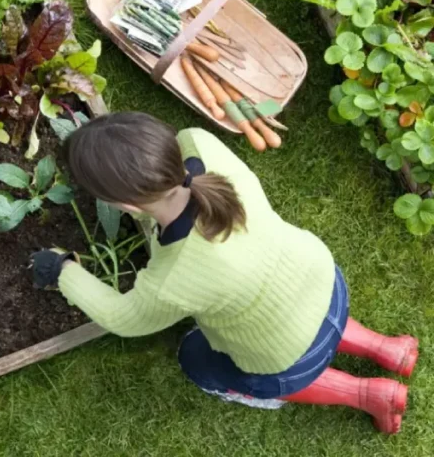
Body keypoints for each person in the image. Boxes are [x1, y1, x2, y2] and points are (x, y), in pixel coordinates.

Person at [30, 112, 419, 433]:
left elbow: (124, 317)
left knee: (196, 359)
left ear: (127, 206)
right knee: (299, 313)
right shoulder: (200, 144)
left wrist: (62, 270)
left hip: (286, 355)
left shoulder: (174, 277)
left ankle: (368, 394)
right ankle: (387, 348)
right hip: (323, 281)